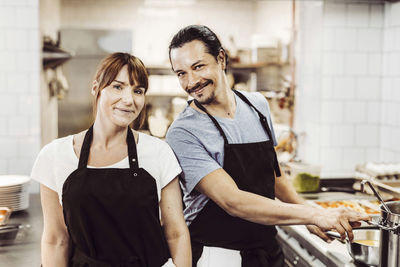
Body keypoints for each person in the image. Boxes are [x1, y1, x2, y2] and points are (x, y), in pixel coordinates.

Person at [166, 25, 370, 267]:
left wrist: (308, 215)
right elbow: (233, 201)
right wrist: (315, 213)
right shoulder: (183, 132)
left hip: (268, 249)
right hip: (219, 254)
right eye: (181, 73)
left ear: (221, 58)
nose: (191, 82)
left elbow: (274, 176)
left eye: (198, 66)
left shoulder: (257, 106)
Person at [31, 52, 191, 267]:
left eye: (138, 90)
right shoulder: (55, 156)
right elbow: (56, 240)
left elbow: (176, 233)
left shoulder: (159, 153)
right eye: (118, 86)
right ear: (96, 87)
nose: (129, 99)